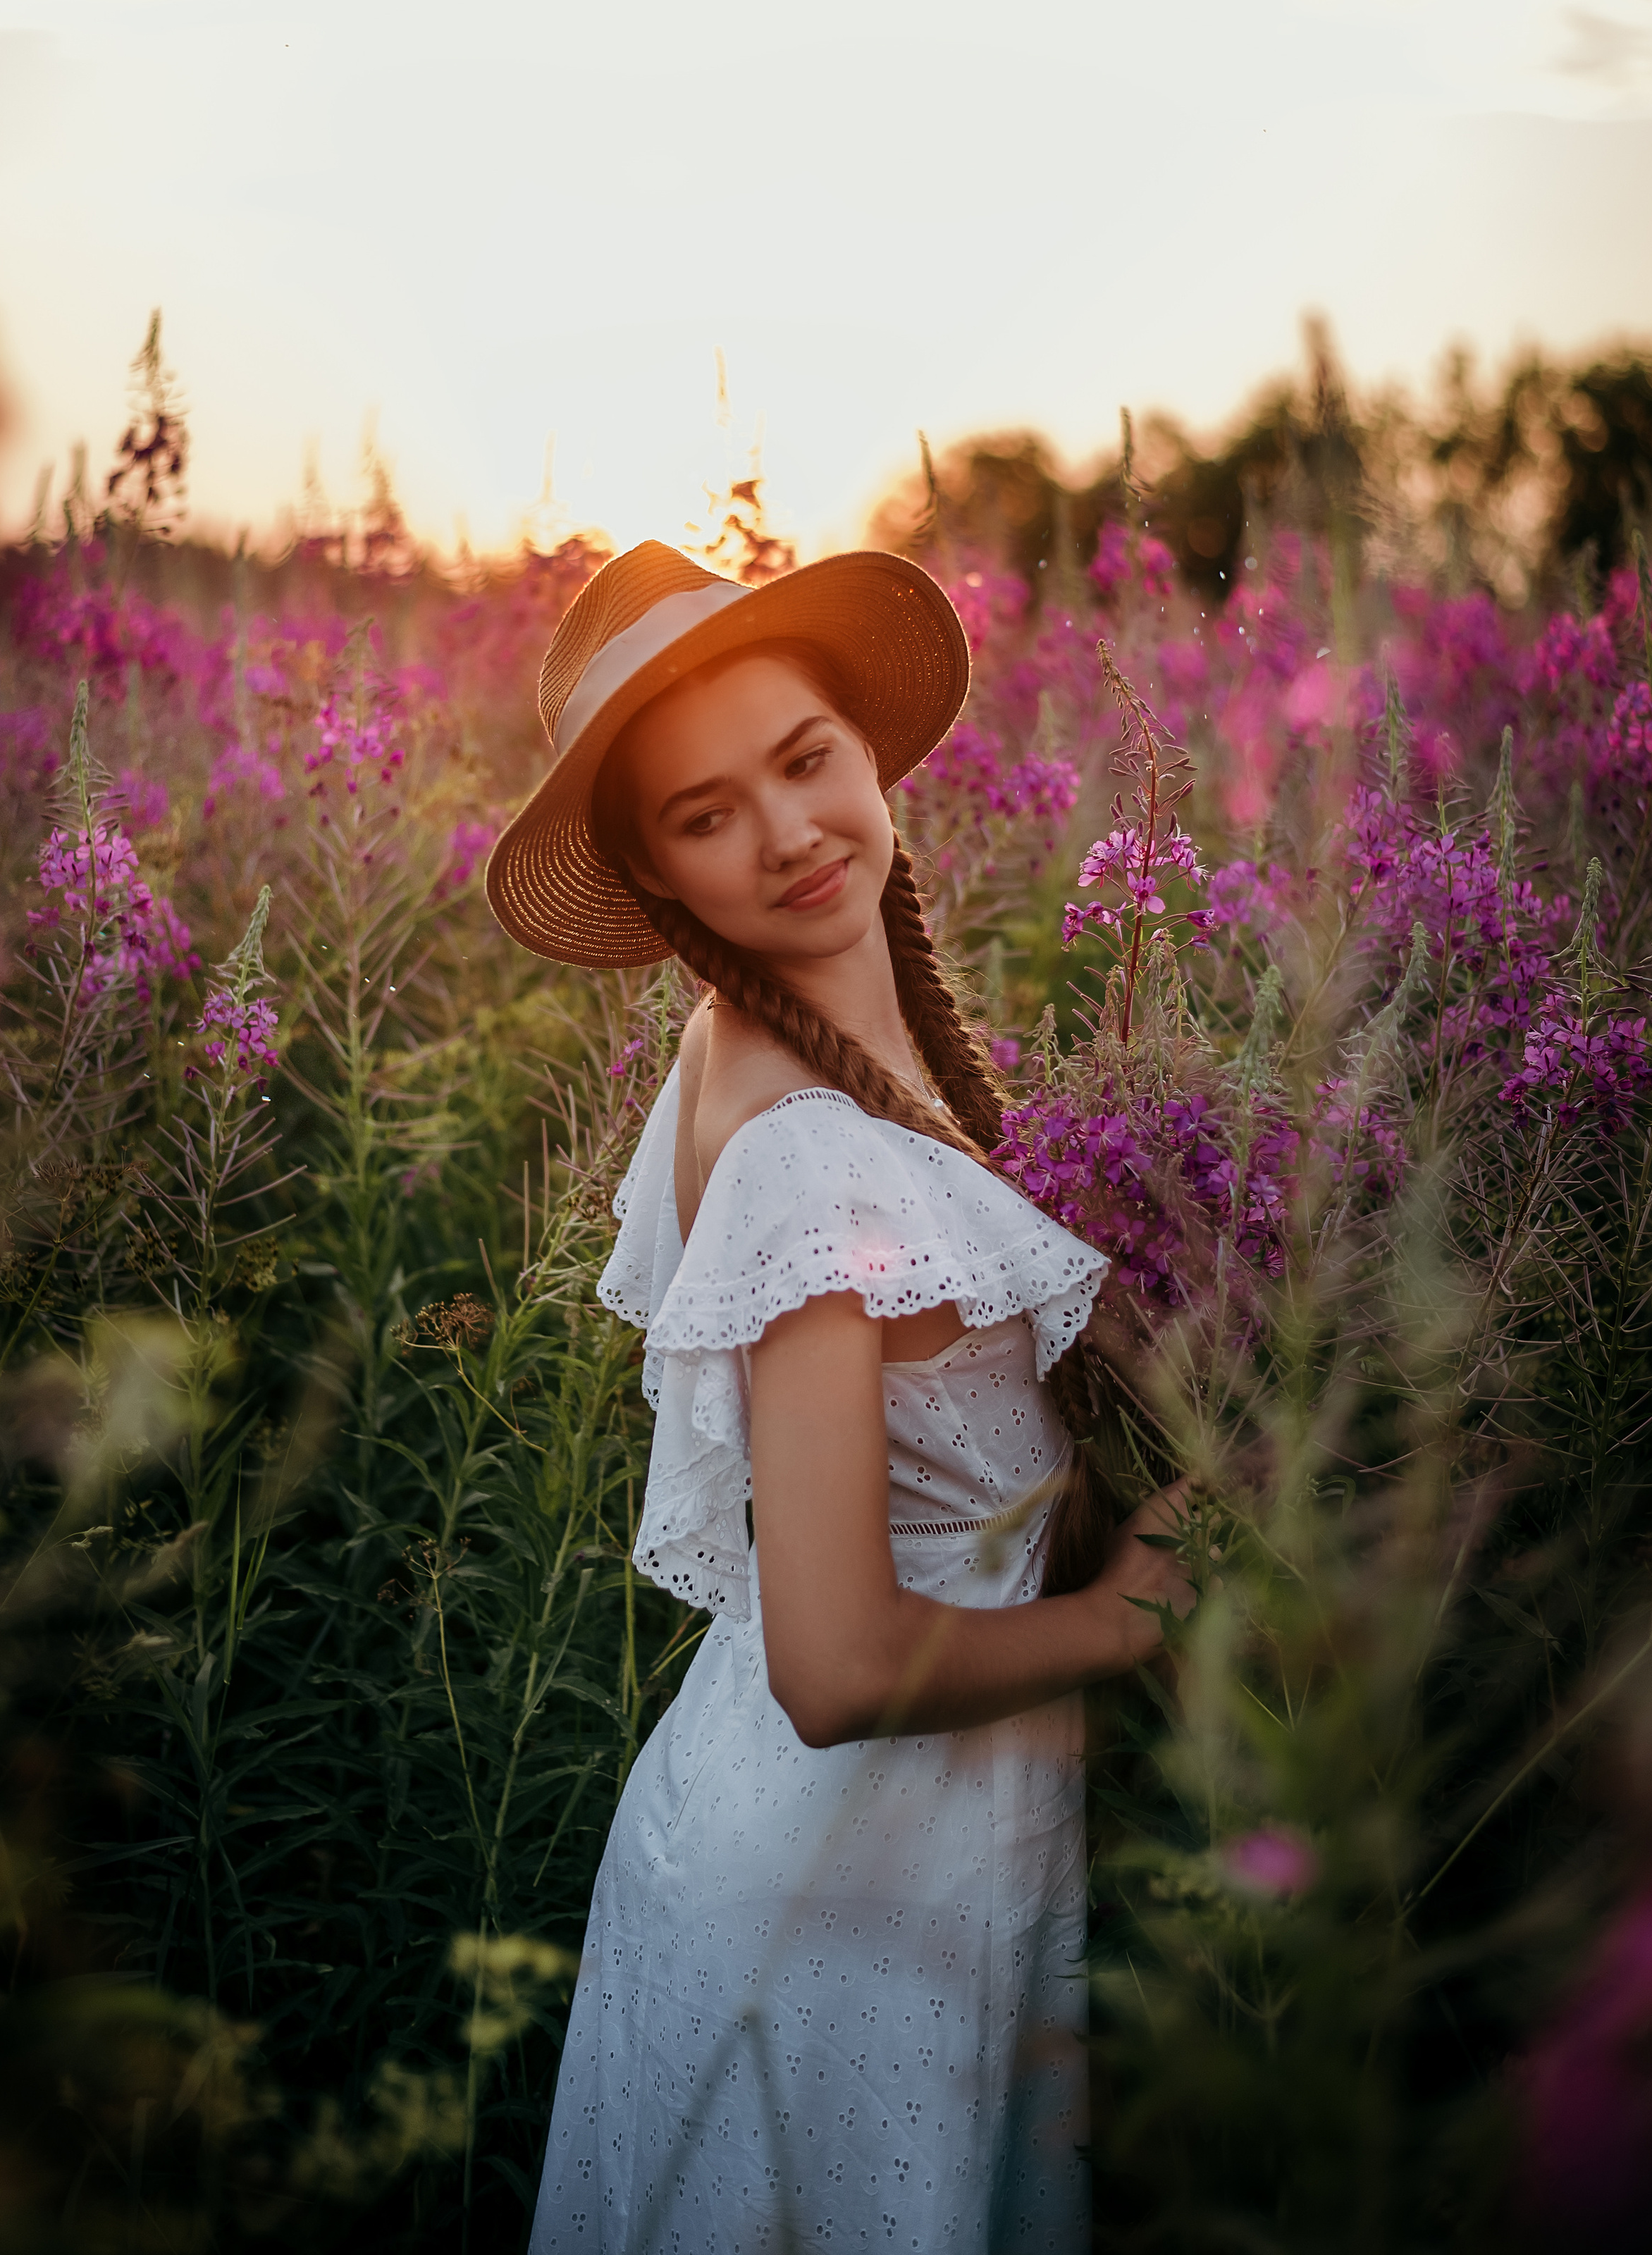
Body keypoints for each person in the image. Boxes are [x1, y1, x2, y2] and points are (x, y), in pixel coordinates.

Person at [486, 540, 1196, 2253]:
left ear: (863, 754)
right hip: (830, 1906)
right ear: (656, 877)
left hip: (907, 1863)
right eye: (706, 815)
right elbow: (834, 1663)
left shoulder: (784, 1051)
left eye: (803, 760)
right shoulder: (804, 1157)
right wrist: (1129, 1616)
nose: (790, 833)